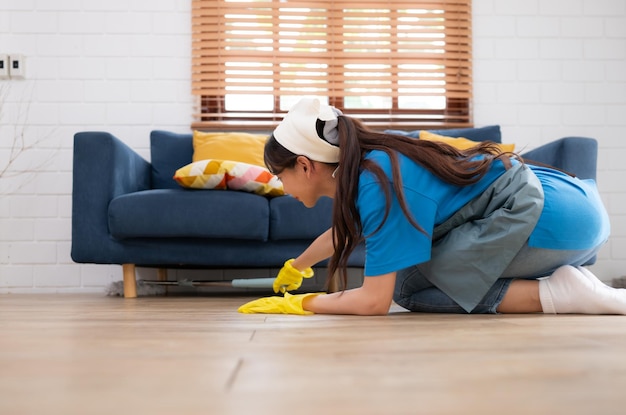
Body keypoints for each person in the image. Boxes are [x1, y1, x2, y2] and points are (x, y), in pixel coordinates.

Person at [238, 98, 625, 316]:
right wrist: (299, 265)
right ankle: (565, 287)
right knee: (410, 278)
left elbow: (374, 302)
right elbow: (349, 229)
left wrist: (301, 304)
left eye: (278, 174)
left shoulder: (376, 183)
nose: (280, 186)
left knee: (409, 290)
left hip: (548, 219)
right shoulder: (373, 164)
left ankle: (563, 295)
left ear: (305, 166)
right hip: (572, 204)